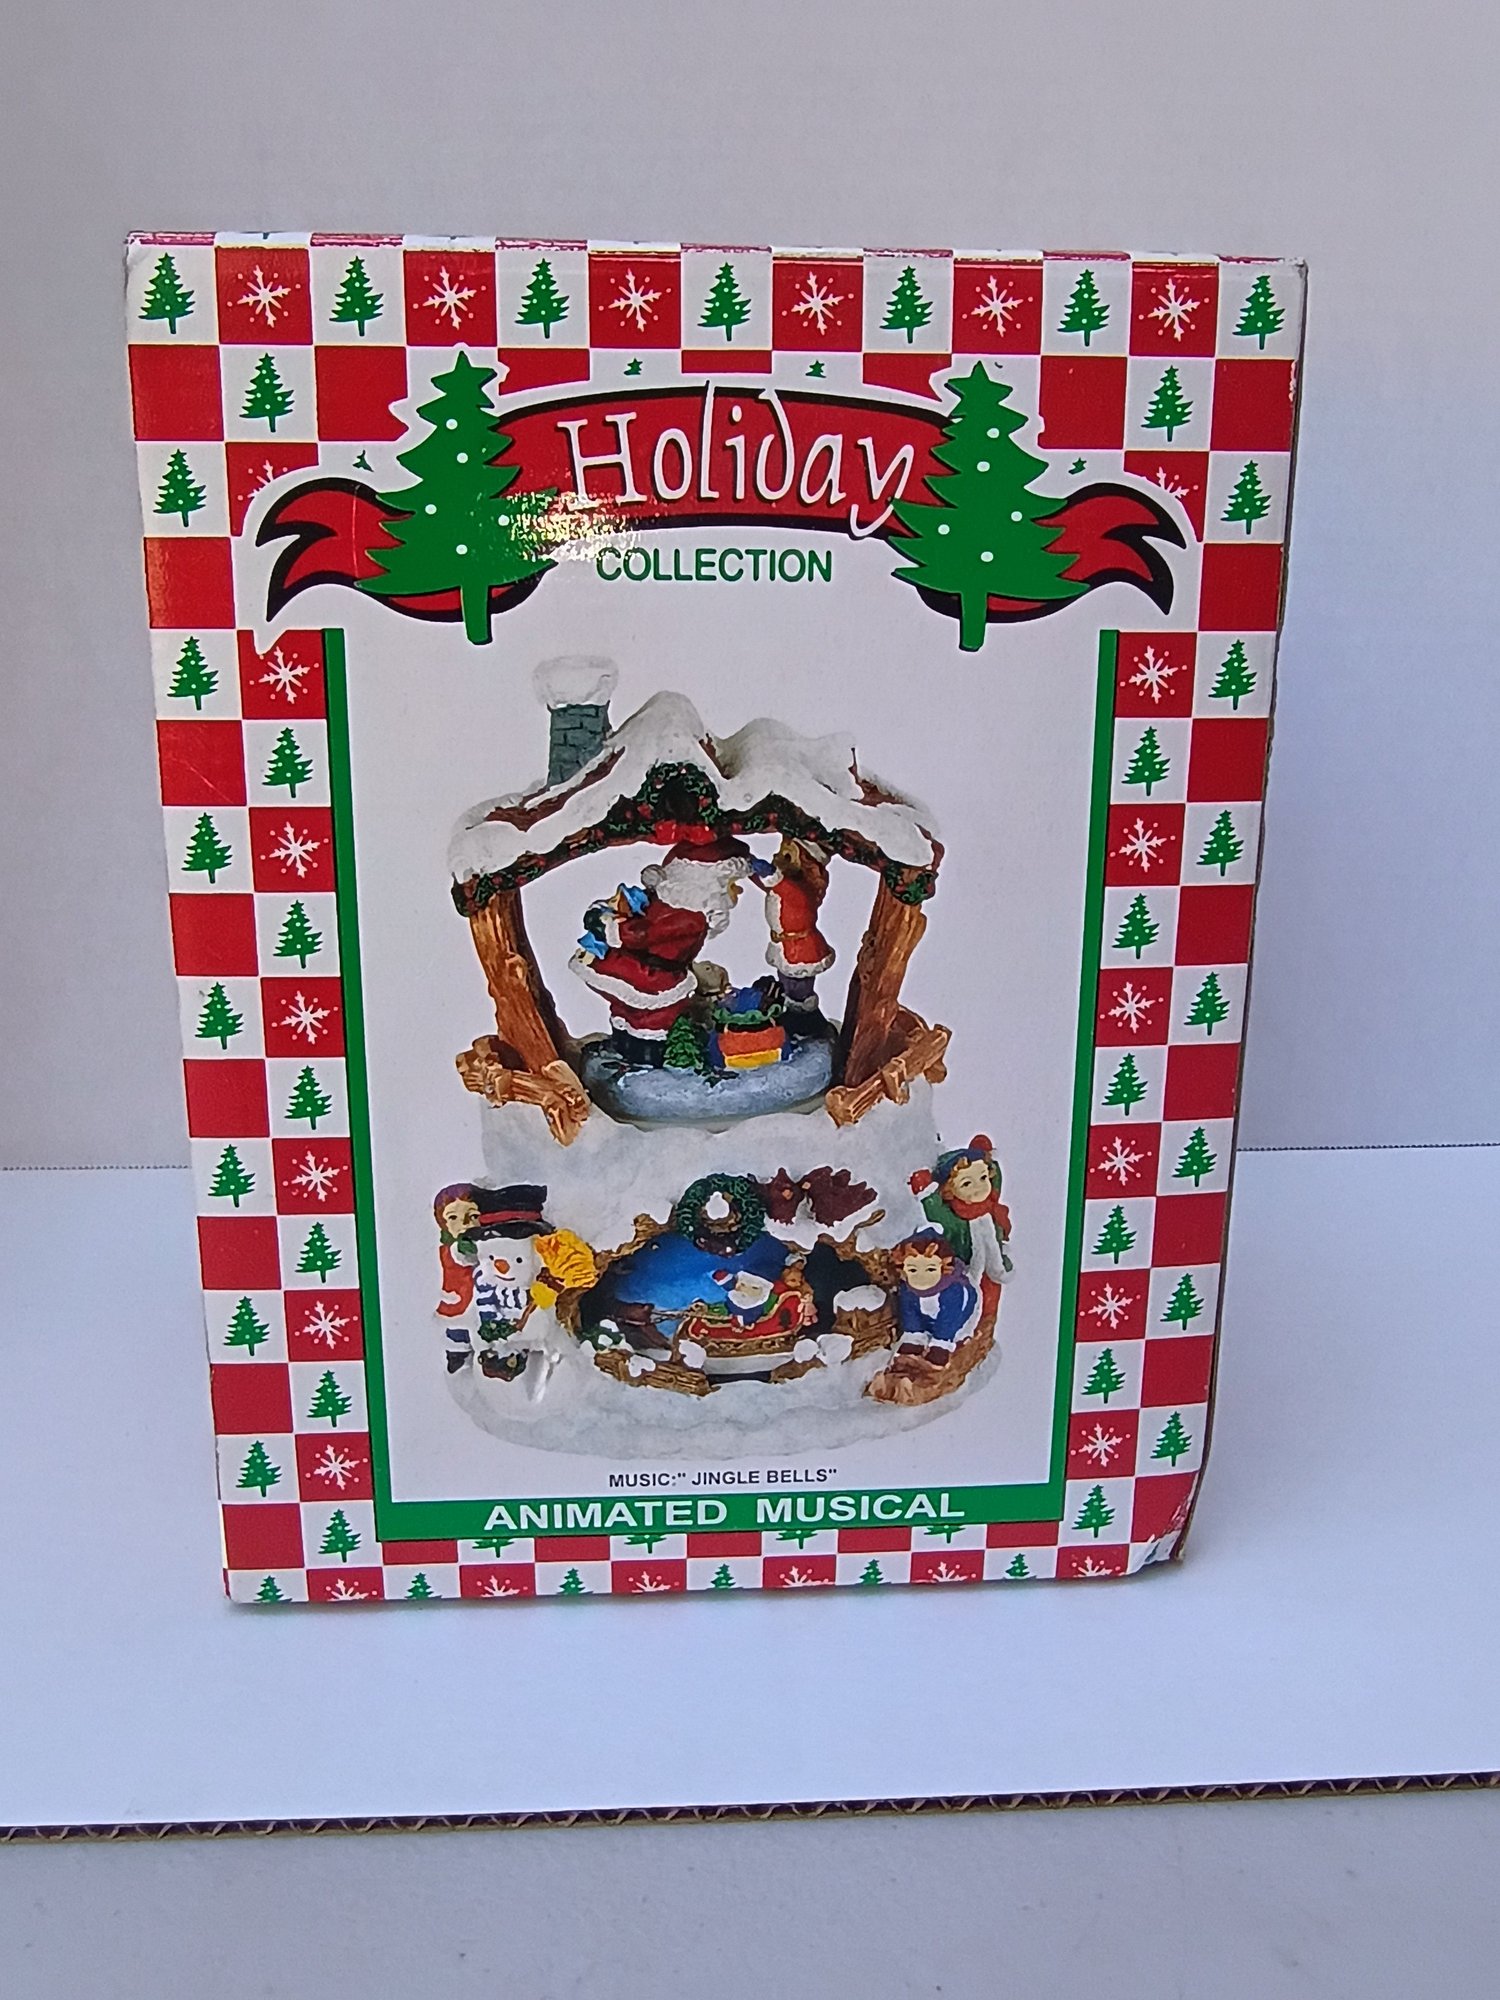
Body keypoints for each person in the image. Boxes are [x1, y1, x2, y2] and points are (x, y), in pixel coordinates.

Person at [570, 835, 752, 1065]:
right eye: (733, 885)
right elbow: (640, 933)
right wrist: (609, 920)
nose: (737, 891)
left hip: (650, 970)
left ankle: (639, 1055)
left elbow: (640, 934)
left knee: (641, 1012)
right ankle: (631, 1049)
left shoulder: (687, 914)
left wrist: (606, 923)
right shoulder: (686, 914)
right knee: (644, 1013)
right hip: (648, 974)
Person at [910, 1136, 1012, 1322]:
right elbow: (936, 1212)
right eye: (966, 1183)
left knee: (990, 1298)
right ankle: (970, 1323)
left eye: (983, 1178)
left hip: (993, 1267)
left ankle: (986, 1321)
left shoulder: (990, 1204)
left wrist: (985, 1153)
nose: (979, 1188)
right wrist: (926, 1191)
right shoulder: (956, 1220)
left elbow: (995, 1177)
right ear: (949, 1189)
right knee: (967, 1301)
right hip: (965, 1270)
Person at [757, 835, 835, 1035]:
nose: (777, 857)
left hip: (800, 949)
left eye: (787, 856)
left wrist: (763, 869)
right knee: (786, 985)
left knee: (798, 989)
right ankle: (793, 1020)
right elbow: (769, 883)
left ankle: (805, 1026)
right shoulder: (785, 884)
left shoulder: (798, 889)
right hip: (786, 946)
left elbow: (778, 883)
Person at [891, 1230, 980, 1365]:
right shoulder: (908, 1289)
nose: (921, 1277)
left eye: (931, 1269)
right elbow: (909, 1312)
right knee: (910, 1314)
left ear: (943, 1267)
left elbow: (951, 1317)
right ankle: (916, 1338)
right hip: (926, 1320)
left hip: (957, 1321)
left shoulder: (952, 1290)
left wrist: (941, 1342)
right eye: (913, 1270)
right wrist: (913, 1333)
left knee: (948, 1323)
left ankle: (942, 1343)